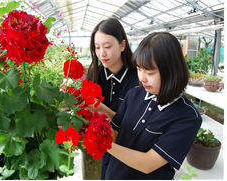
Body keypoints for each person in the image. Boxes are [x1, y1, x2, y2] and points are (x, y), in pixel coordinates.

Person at [104, 32, 202, 180]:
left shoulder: (187, 117)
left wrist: (102, 145)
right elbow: (116, 132)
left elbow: (148, 163)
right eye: (138, 69)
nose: (141, 77)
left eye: (149, 72)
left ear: (172, 71)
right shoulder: (134, 95)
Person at [86, 18, 139, 180]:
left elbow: (134, 125)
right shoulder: (96, 74)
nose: (102, 53)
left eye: (107, 47)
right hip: (108, 145)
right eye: (97, 47)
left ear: (123, 45)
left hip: (131, 148)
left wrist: (102, 109)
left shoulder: (138, 79)